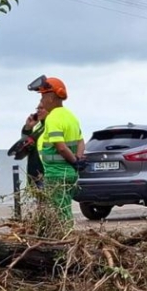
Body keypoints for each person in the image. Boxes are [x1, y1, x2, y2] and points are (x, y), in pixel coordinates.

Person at [30, 76, 85, 223]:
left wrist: (74, 161)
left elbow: (60, 146)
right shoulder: (71, 116)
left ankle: (66, 235)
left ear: (51, 97)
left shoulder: (53, 118)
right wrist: (78, 159)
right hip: (71, 174)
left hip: (57, 173)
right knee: (63, 208)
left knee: (60, 212)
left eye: (43, 96)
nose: (41, 100)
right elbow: (81, 141)